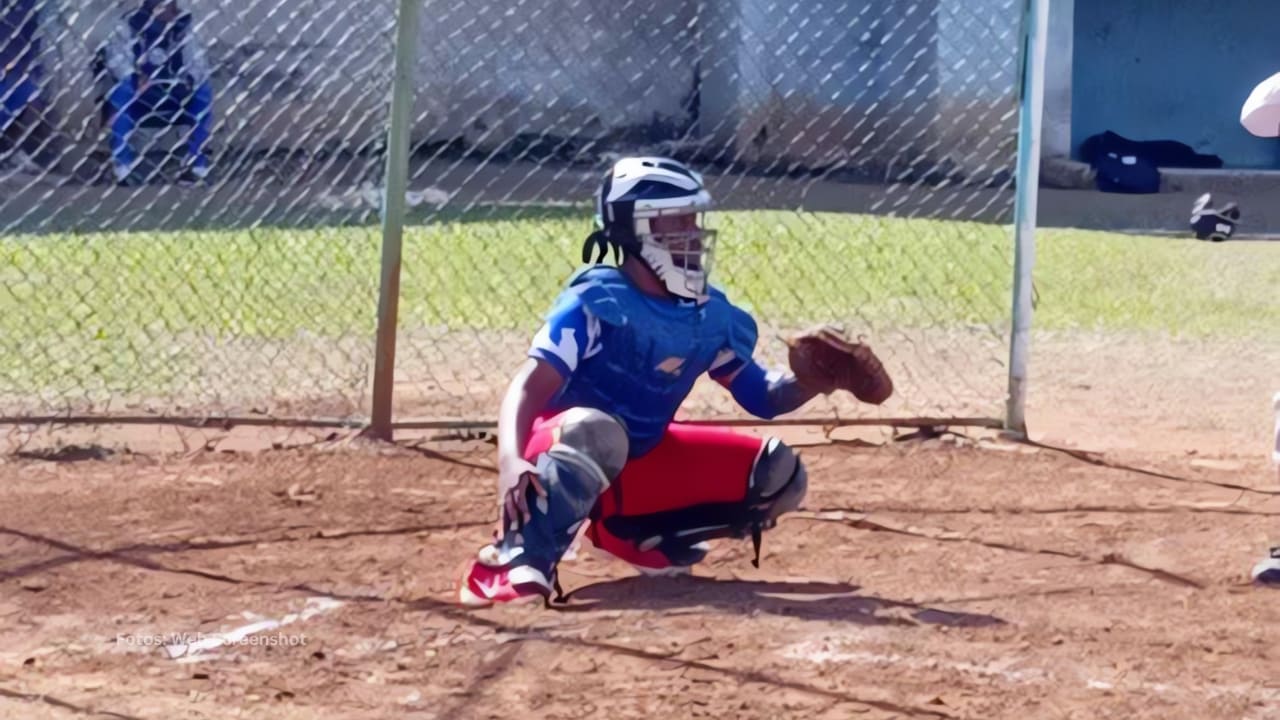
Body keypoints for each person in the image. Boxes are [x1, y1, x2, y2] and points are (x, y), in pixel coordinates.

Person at [456, 156, 893, 607]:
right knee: (595, 429)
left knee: (779, 475)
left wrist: (811, 382)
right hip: (554, 455)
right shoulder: (596, 301)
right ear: (635, 231)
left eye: (693, 219)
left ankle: (631, 532)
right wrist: (511, 461)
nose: (693, 233)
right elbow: (528, 387)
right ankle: (510, 560)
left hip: (636, 458)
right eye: (675, 220)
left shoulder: (707, 313)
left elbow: (762, 396)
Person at [103, 0, 212, 185]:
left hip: (176, 92)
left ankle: (197, 167)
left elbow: (198, 61)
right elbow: (116, 58)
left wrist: (189, 80)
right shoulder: (128, 22)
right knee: (120, 92)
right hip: (140, 93)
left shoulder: (187, 23)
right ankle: (122, 168)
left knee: (203, 91)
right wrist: (133, 77)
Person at [0, 0, 62, 172]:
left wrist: (29, 67)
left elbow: (33, 38)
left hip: (18, 64)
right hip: (5, 62)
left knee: (33, 99)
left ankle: (11, 149)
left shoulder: (31, 6)